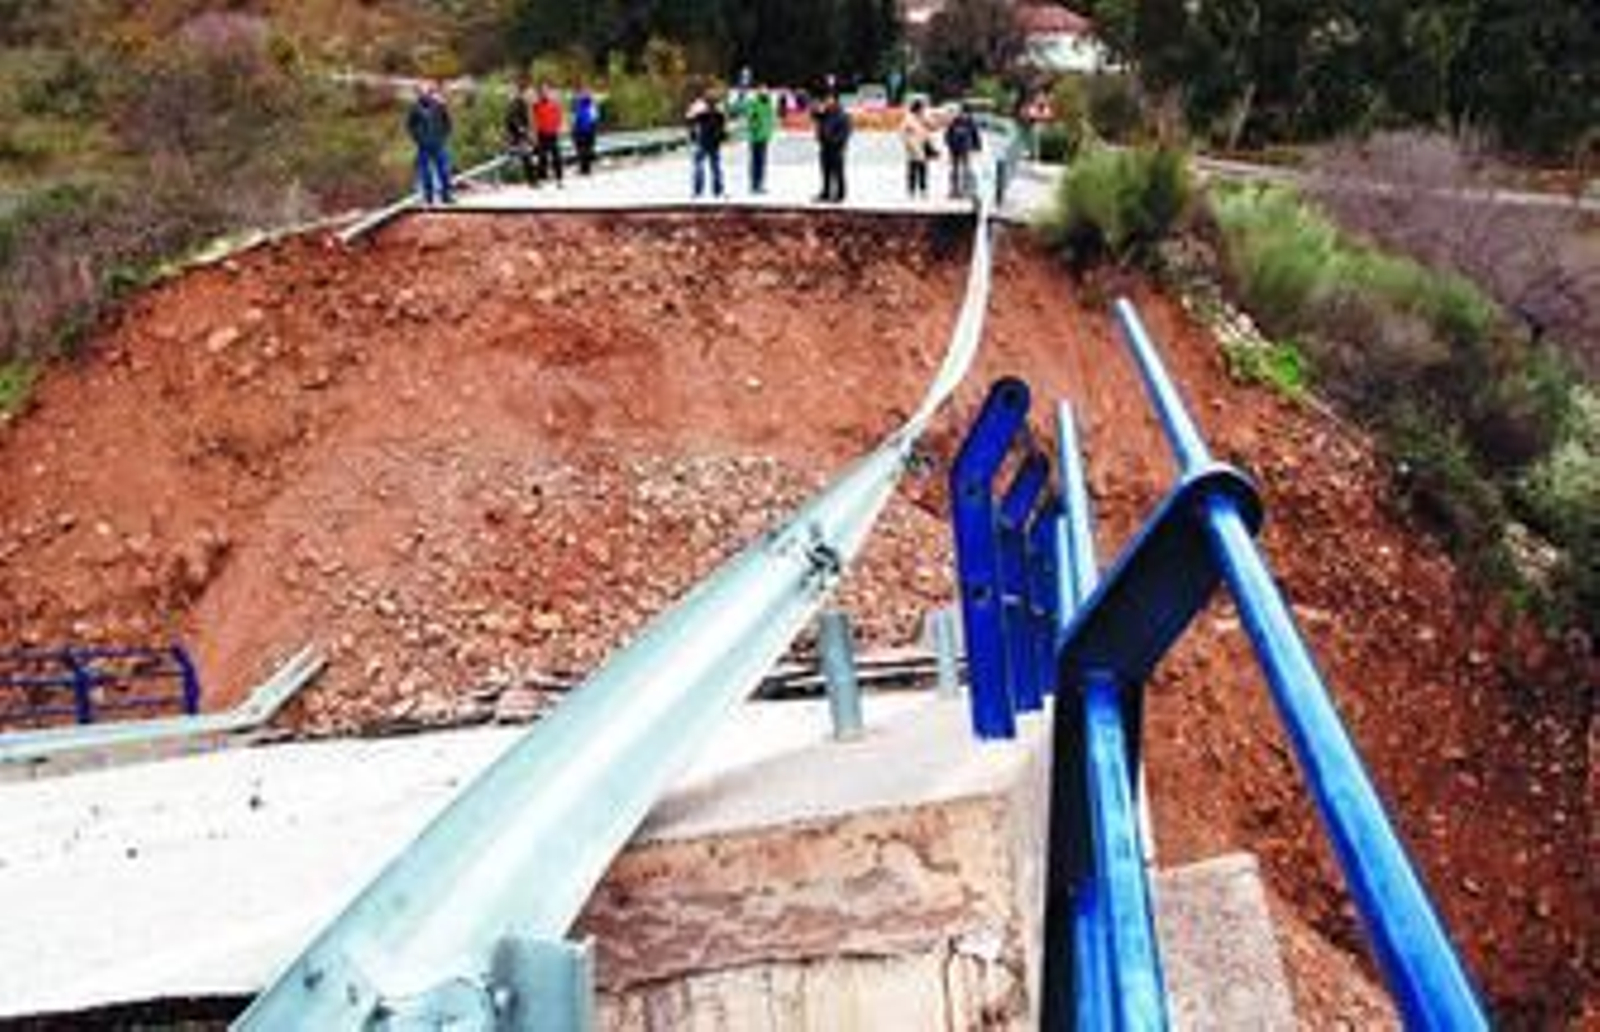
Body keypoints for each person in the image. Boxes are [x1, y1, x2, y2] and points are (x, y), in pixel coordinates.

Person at [406, 80, 454, 205]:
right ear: (418, 93)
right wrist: (418, 139)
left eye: (426, 90)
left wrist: (443, 137)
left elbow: (448, 122)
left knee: (444, 170)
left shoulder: (439, 105)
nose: (424, 93)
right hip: (423, 146)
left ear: (430, 92)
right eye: (421, 91)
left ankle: (446, 196)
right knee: (425, 173)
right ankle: (429, 198)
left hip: (439, 144)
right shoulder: (414, 108)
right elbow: (410, 126)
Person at [686, 91, 727, 199]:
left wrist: (692, 134)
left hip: (703, 141)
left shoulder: (700, 111)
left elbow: (690, 120)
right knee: (715, 167)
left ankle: (698, 190)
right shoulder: (718, 112)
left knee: (701, 166)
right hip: (713, 142)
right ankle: (717, 190)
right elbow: (723, 127)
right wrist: (722, 136)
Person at [813, 93, 852, 203]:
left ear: (835, 101)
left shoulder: (842, 115)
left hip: (836, 148)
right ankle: (825, 192)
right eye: (826, 100)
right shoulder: (825, 113)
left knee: (838, 172)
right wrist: (817, 109)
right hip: (824, 147)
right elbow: (814, 116)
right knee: (825, 172)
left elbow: (846, 132)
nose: (827, 102)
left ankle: (840, 194)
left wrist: (836, 141)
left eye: (830, 100)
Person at [945, 104, 983, 199]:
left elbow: (975, 135)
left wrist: (977, 147)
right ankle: (954, 190)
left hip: (966, 148)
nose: (964, 115)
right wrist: (949, 144)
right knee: (955, 170)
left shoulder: (971, 122)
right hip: (955, 149)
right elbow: (948, 134)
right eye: (963, 113)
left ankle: (965, 189)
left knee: (966, 170)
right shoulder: (955, 121)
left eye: (966, 113)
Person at [503, 80, 536, 186]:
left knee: (526, 156)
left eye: (513, 90)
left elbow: (517, 118)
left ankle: (532, 180)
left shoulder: (519, 102)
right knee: (523, 155)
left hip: (520, 134)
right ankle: (529, 179)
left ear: (517, 91)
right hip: (514, 134)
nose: (511, 92)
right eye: (510, 90)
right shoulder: (511, 103)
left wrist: (522, 129)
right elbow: (509, 118)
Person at [900, 98, 934, 199]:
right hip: (913, 148)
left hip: (922, 146)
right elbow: (903, 133)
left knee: (923, 170)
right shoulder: (908, 119)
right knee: (913, 170)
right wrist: (908, 145)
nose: (923, 110)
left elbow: (931, 128)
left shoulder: (923, 118)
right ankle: (911, 190)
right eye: (922, 108)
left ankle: (923, 190)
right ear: (917, 108)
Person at [745, 86, 776, 195]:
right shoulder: (754, 103)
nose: (765, 94)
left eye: (766, 92)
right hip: (755, 137)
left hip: (764, 137)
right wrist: (755, 127)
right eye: (763, 92)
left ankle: (760, 184)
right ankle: (754, 184)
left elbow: (771, 118)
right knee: (755, 162)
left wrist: (770, 131)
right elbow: (751, 118)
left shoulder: (768, 104)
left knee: (761, 162)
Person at [533, 84, 564, 187]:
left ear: (549, 92)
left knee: (556, 157)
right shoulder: (536, 105)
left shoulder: (554, 104)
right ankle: (541, 179)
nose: (544, 93)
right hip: (542, 134)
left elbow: (559, 117)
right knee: (542, 158)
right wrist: (535, 132)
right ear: (540, 93)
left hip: (553, 134)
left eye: (546, 91)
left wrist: (558, 128)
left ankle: (559, 180)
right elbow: (534, 119)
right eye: (542, 91)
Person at [570, 84, 599, 176]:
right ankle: (584, 168)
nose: (585, 94)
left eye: (587, 92)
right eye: (584, 92)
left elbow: (594, 118)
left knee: (585, 150)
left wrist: (593, 131)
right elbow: (573, 118)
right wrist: (573, 131)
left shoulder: (591, 104)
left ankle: (586, 169)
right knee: (582, 150)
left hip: (587, 130)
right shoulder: (577, 104)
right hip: (580, 130)